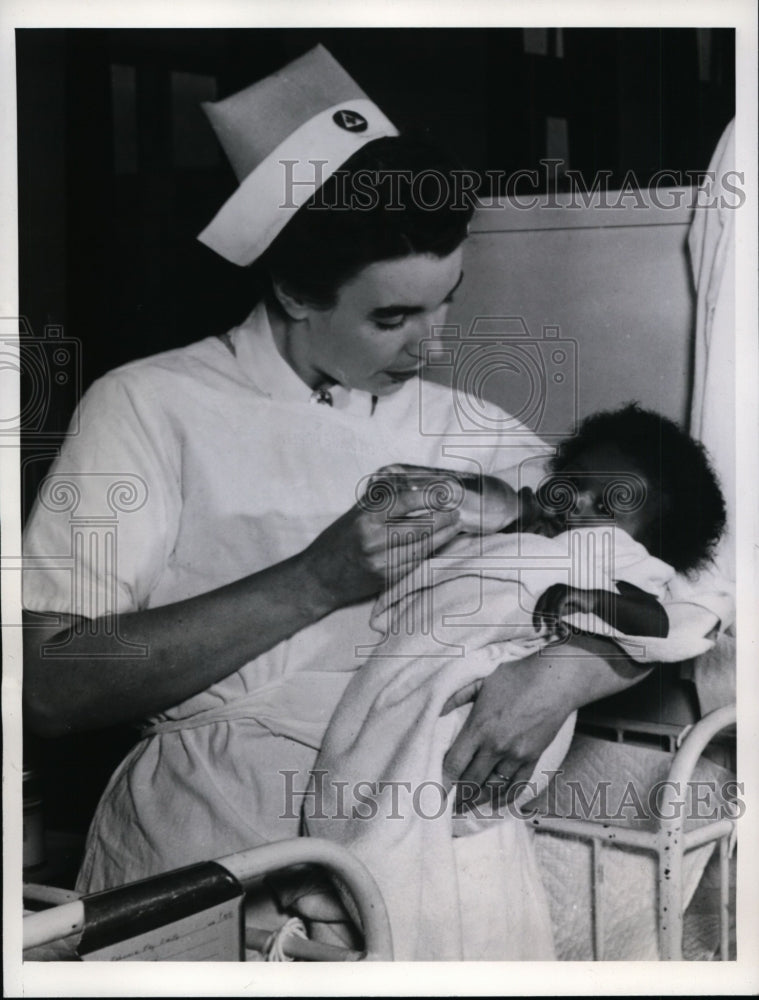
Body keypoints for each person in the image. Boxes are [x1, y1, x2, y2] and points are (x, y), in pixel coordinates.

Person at [21, 47, 731, 924]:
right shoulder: (150, 405)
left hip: (431, 852)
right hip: (218, 845)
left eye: (446, 302)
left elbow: (685, 573)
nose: (428, 347)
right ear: (290, 289)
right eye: (391, 317)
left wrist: (571, 665)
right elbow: (48, 683)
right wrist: (313, 581)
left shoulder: (465, 426)